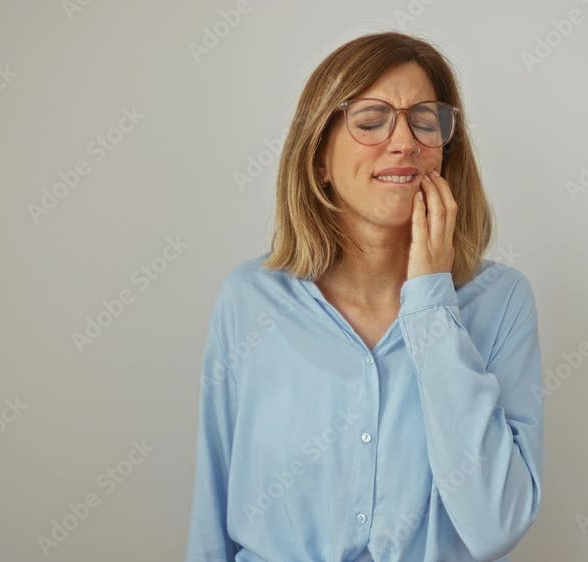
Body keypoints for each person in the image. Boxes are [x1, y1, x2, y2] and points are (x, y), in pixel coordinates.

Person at [185, 31, 543, 562]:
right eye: (372, 121)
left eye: (425, 122)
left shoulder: (501, 301)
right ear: (319, 158)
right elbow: (212, 507)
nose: (405, 143)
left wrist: (431, 304)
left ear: (445, 153)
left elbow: (496, 527)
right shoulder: (249, 300)